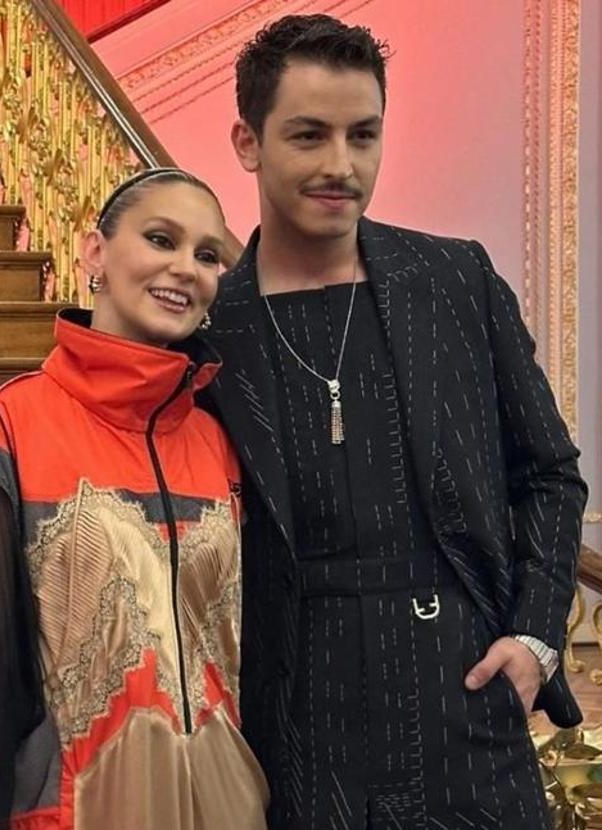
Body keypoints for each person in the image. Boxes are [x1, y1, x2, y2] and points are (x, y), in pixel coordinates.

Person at [203, 14, 588, 829]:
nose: (340, 165)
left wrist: (534, 639)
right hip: (296, 730)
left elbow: (550, 474)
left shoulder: (454, 280)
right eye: (308, 135)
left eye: (363, 135)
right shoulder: (210, 329)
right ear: (248, 142)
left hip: (466, 702)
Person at [0, 167, 269, 830]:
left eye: (208, 254)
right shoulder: (2, 435)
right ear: (95, 251)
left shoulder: (219, 441)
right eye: (161, 239)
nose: (186, 268)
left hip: (229, 807)